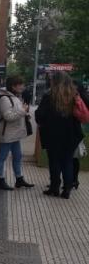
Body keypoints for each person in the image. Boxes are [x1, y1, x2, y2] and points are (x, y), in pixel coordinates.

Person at [35, 71, 84, 199]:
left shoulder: (49, 96)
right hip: (71, 135)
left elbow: (40, 115)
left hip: (53, 135)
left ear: (55, 81)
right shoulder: (74, 95)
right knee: (68, 161)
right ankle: (67, 189)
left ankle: (54, 187)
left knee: (54, 161)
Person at [0, 76, 34, 191]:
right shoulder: (5, 99)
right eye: (20, 84)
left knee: (18, 156)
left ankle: (19, 179)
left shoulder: (16, 98)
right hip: (7, 133)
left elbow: (17, 113)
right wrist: (23, 111)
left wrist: (26, 114)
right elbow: (8, 116)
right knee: (2, 157)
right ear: (13, 86)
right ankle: (1, 180)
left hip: (15, 134)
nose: (23, 87)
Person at [72, 83, 89, 189]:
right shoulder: (85, 98)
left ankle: (71, 179)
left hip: (75, 128)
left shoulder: (77, 99)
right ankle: (75, 179)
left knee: (71, 156)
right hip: (81, 130)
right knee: (75, 157)